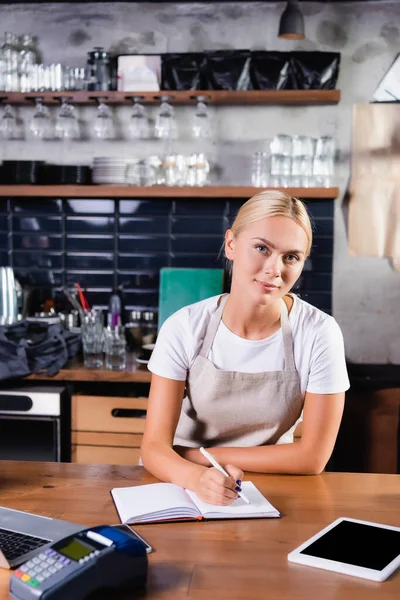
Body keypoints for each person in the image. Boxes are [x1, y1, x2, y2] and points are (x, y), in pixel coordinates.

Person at [141, 190, 349, 506]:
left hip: (272, 486)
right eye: (261, 248)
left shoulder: (319, 333)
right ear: (231, 244)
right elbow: (154, 449)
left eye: (291, 257)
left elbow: (313, 458)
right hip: (181, 481)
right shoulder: (185, 327)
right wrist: (197, 478)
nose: (274, 270)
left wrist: (203, 456)